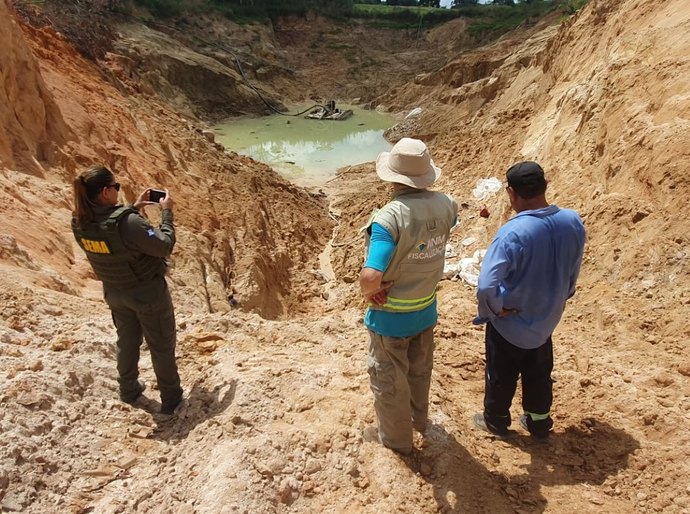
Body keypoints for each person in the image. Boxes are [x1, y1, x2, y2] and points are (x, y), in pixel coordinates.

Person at [472, 161, 585, 439]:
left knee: (501, 373)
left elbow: (486, 285)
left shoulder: (513, 232)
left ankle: (496, 420)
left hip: (511, 321)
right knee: (539, 372)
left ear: (511, 193)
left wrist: (494, 311)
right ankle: (539, 422)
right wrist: (564, 294)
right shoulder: (572, 221)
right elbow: (573, 267)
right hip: (547, 318)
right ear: (545, 186)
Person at [360, 138, 458, 454]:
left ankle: (396, 440)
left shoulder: (389, 218)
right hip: (426, 310)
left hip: (390, 319)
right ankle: (419, 421)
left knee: (389, 381)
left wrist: (370, 291)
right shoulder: (447, 204)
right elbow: (442, 228)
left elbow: (371, 275)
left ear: (391, 177)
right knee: (419, 372)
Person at [71, 165, 183, 415]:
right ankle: (172, 398)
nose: (117, 191)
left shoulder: (80, 220)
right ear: (104, 192)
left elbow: (111, 233)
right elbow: (163, 246)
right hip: (147, 294)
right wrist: (166, 214)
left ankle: (128, 390)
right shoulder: (128, 223)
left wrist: (134, 207)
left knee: (127, 340)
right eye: (115, 187)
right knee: (161, 345)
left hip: (115, 292)